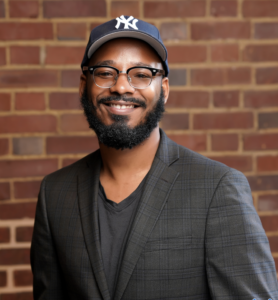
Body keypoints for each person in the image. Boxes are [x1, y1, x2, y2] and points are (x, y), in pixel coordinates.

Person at [31, 16, 278, 300]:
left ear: (164, 90)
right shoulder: (55, 193)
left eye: (142, 74)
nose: (122, 87)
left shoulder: (217, 189)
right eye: (106, 72)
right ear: (83, 85)